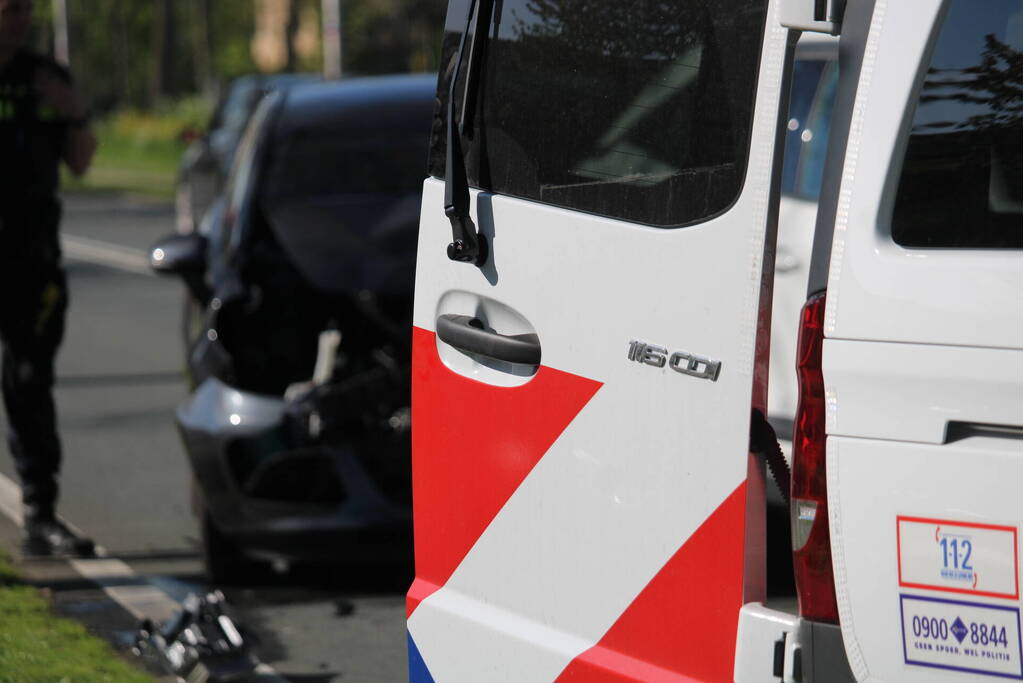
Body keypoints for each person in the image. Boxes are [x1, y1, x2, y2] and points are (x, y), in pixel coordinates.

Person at [0, 0, 96, 555]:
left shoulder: (45, 78)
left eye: (25, 10)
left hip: (30, 260)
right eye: (10, 9)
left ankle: (40, 514)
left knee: (30, 383)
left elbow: (80, 162)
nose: (20, 19)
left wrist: (75, 112)